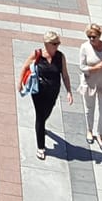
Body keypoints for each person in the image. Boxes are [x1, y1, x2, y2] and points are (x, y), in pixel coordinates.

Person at [22, 31, 75, 159]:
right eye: (54, 44)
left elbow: (65, 75)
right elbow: (25, 67)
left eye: (58, 43)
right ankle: (41, 147)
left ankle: (42, 126)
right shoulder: (37, 54)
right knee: (40, 116)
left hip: (53, 91)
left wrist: (69, 91)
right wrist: (20, 84)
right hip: (39, 91)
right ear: (47, 44)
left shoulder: (60, 57)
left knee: (47, 112)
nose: (57, 46)